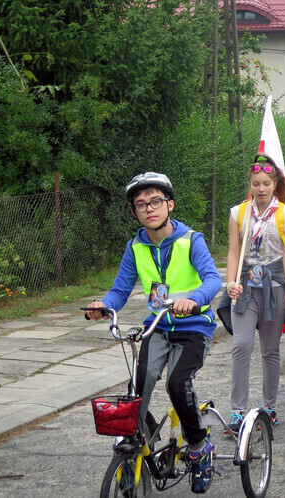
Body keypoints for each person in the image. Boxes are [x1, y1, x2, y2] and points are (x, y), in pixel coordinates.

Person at [86, 172, 221, 493]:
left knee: (178, 383)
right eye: (141, 204)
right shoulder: (135, 246)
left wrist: (195, 299)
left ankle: (200, 448)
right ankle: (135, 442)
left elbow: (213, 279)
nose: (149, 209)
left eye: (156, 201)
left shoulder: (192, 240)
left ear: (170, 204)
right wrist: (104, 305)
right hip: (157, 327)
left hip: (194, 327)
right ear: (134, 212)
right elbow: (120, 290)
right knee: (139, 382)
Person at [225, 155, 285, 434]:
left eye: (266, 183)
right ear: (250, 184)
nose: (261, 189)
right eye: (256, 183)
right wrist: (230, 282)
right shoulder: (238, 213)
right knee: (241, 345)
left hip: (274, 285)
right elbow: (234, 251)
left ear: (275, 185)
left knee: (270, 349)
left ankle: (269, 407)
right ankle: (237, 411)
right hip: (245, 285)